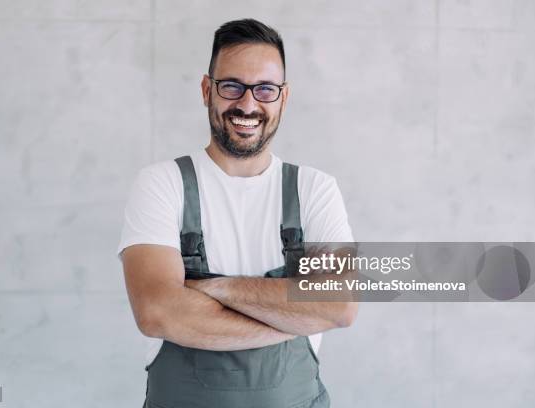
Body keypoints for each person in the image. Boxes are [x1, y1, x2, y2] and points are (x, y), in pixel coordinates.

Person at [117, 18, 357, 408]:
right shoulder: (162, 183)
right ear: (206, 90)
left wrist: (215, 287)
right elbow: (157, 311)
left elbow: (339, 305)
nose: (248, 104)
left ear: (284, 96)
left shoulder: (315, 189)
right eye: (232, 87)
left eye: (265, 89)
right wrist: (294, 313)